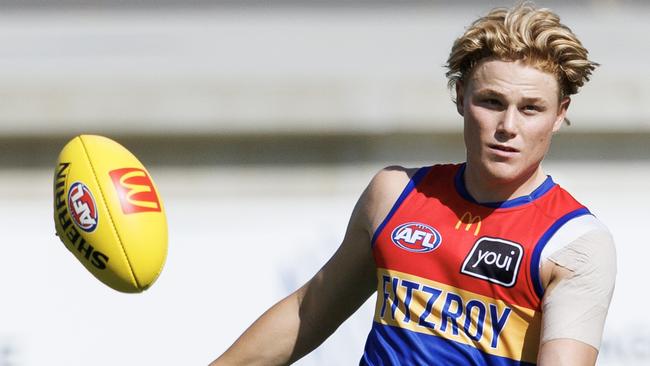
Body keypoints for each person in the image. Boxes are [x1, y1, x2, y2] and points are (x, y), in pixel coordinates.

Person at [210, 2, 616, 365]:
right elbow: (308, 312)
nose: (508, 126)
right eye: (491, 102)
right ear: (460, 95)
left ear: (560, 114)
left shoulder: (575, 243)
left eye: (530, 109)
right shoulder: (393, 194)